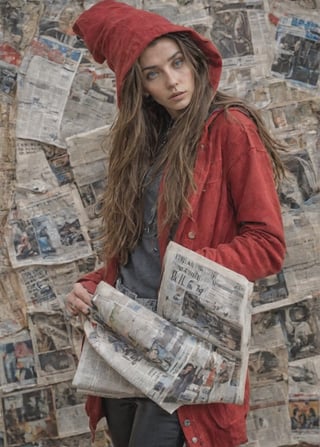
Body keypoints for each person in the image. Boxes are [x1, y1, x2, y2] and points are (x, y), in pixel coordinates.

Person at [66, 1, 286, 446]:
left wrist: (188, 270)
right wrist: (93, 284)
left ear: (193, 59)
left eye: (177, 63)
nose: (172, 80)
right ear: (141, 87)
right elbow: (137, 250)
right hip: (122, 334)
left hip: (183, 345)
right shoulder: (142, 144)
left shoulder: (229, 128)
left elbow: (267, 245)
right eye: (153, 73)